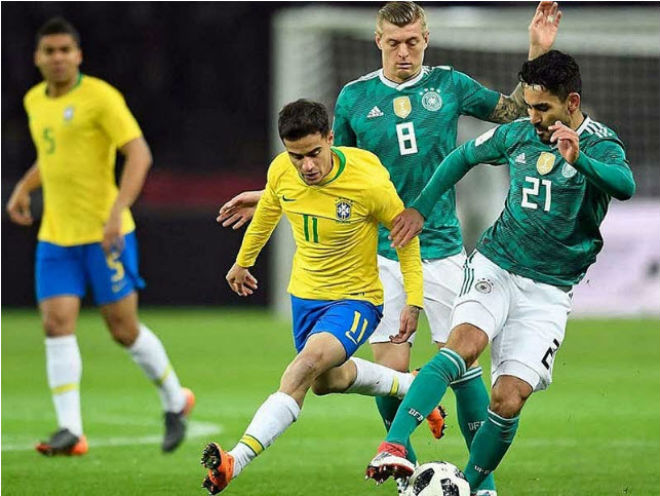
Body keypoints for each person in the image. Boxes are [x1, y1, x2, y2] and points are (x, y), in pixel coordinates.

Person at [216, 3, 560, 494]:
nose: (404, 52)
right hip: (377, 254)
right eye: (394, 43)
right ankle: (408, 478)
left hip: (441, 247)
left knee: (463, 369)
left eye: (413, 42)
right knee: (390, 371)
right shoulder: (355, 97)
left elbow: (514, 112)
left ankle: (482, 486)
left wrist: (537, 53)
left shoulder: (450, 85)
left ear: (426, 40)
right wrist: (271, 194)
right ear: (378, 41)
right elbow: (328, 167)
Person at [365, 49, 635, 494]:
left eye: (543, 108)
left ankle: (468, 485)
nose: (533, 117)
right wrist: (421, 208)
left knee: (508, 399)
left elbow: (624, 186)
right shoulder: (518, 134)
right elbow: (461, 157)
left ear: (571, 102)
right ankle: (393, 445)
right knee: (462, 347)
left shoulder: (600, 144)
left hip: (550, 289)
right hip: (497, 262)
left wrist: (579, 159)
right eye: (529, 106)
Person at [200, 99, 425, 494]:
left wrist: (414, 299)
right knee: (326, 380)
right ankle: (412, 386)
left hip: (356, 299)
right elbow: (268, 210)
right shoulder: (280, 171)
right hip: (305, 297)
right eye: (296, 156)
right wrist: (243, 261)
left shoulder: (368, 182)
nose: (306, 166)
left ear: (331, 139)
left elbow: (405, 236)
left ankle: (235, 460)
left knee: (304, 367)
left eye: (314, 153)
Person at [5, 17, 194, 455]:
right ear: (37, 58)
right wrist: (24, 187)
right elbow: (53, 155)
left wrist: (117, 211)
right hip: (56, 236)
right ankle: (71, 430)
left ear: (78, 55)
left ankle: (175, 399)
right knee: (55, 324)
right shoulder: (35, 100)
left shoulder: (101, 97)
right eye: (49, 51)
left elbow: (139, 154)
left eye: (64, 50)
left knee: (123, 329)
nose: (57, 58)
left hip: (105, 235)